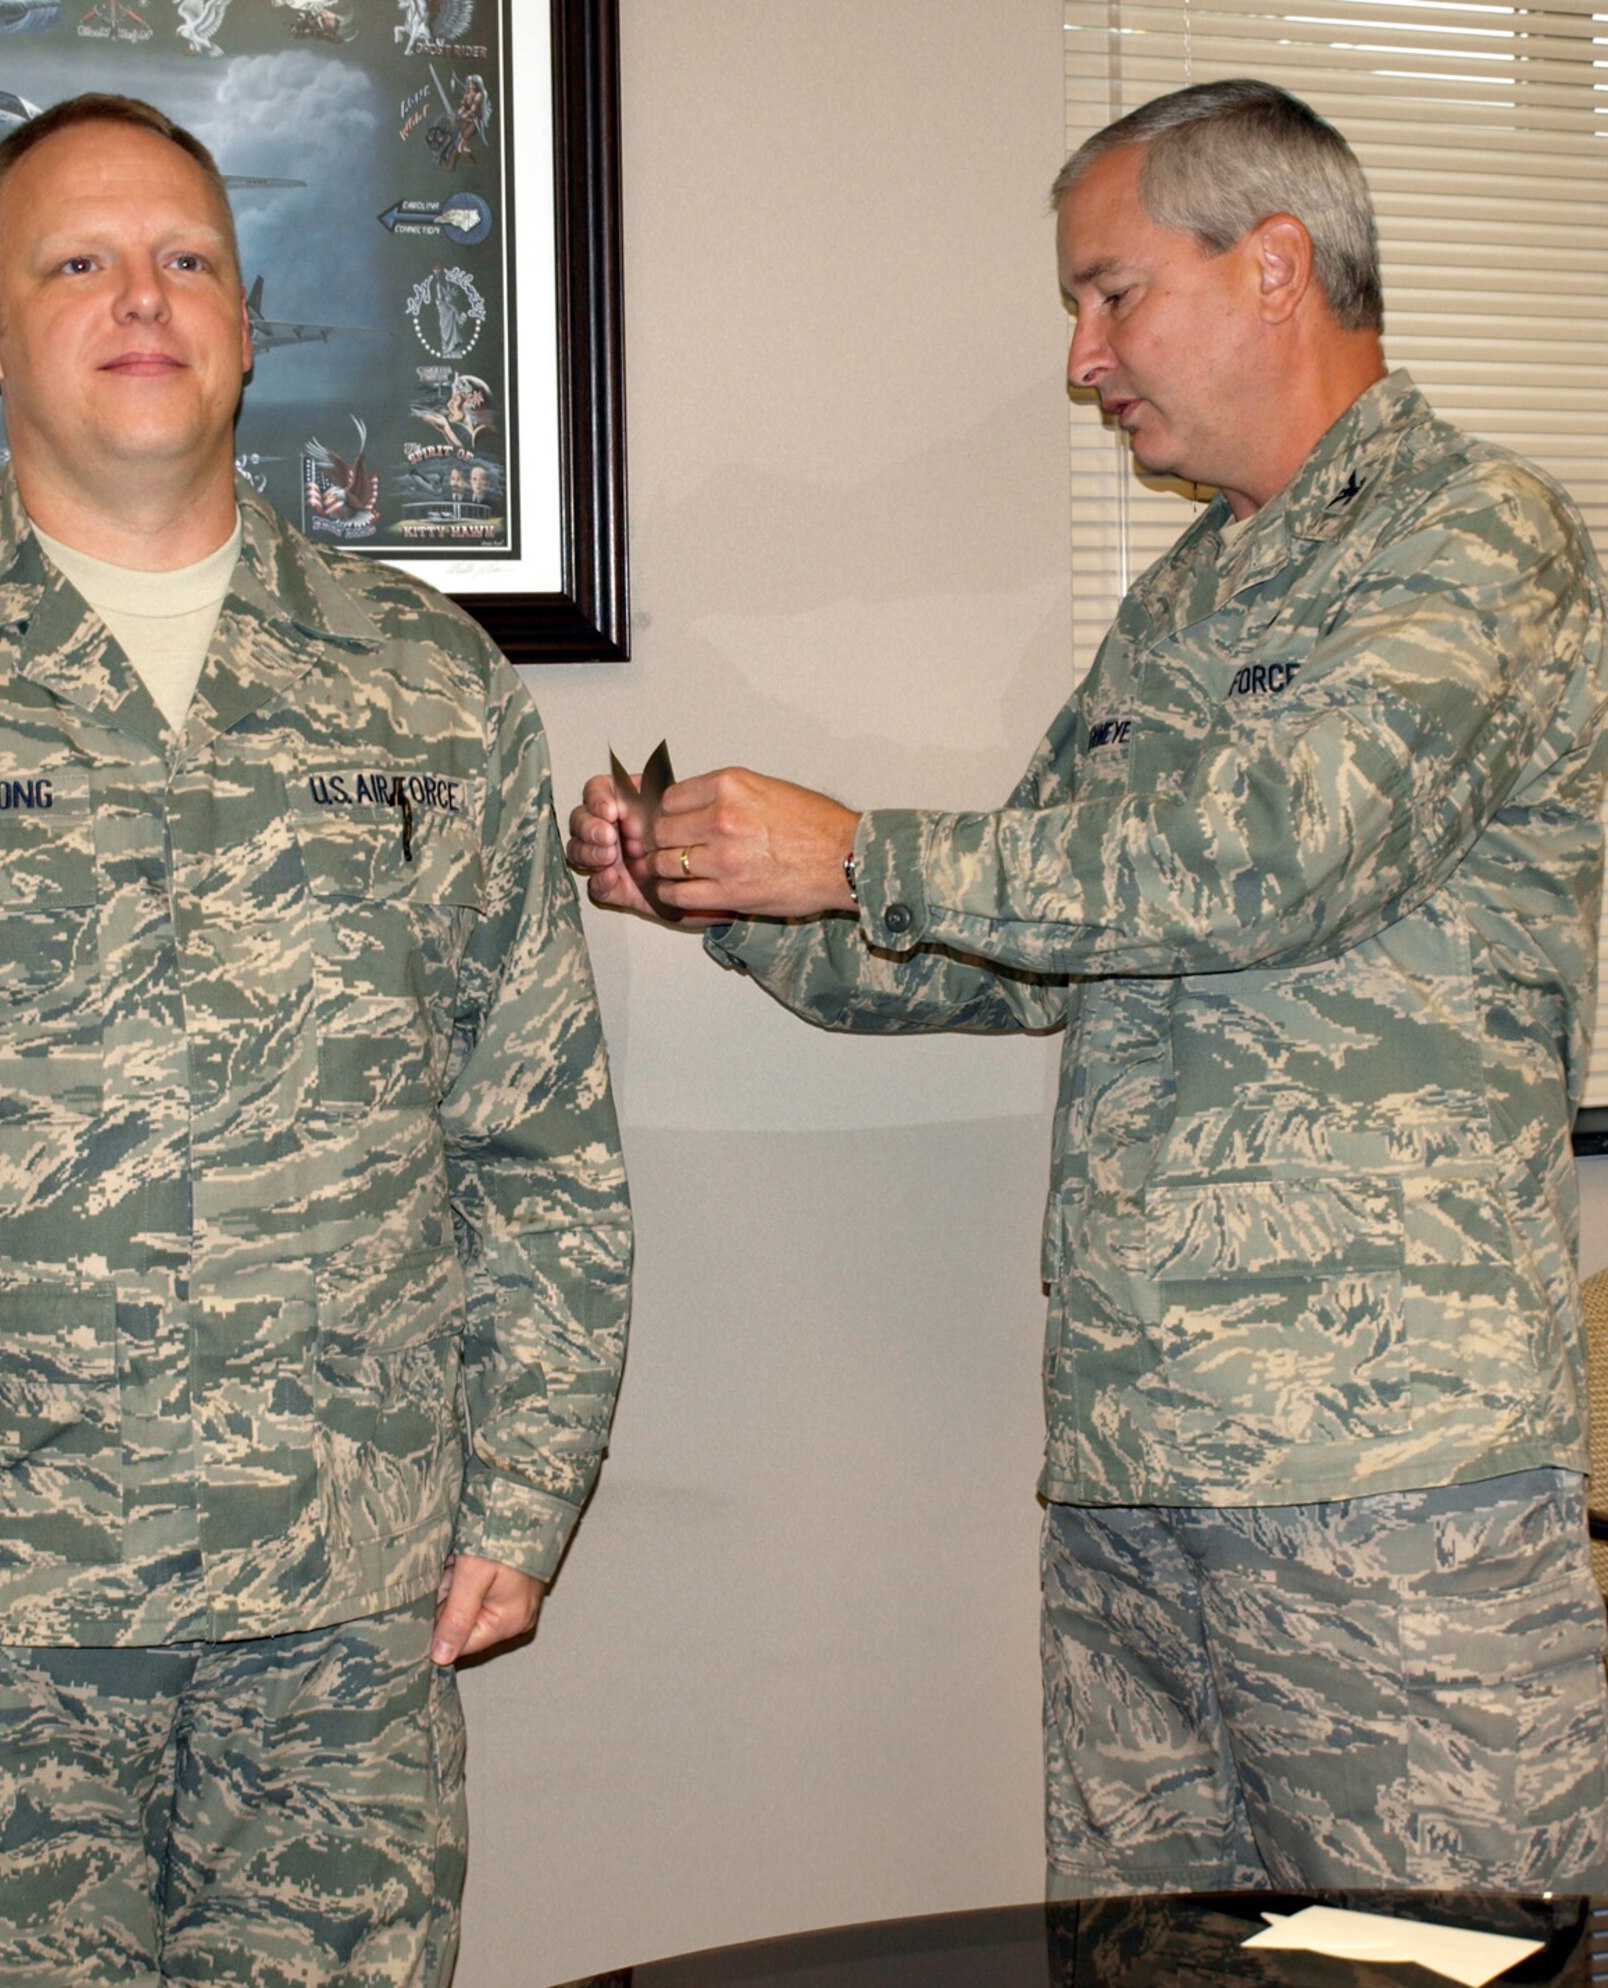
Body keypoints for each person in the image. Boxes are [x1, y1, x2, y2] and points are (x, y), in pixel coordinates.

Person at [0, 93, 630, 1984]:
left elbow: (535, 1139)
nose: (141, 298)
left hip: (344, 1623)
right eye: (76, 260)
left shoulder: (428, 689)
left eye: (185, 260)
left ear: (248, 319)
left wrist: (525, 1485)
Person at [569, 78, 1608, 1896]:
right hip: (1139, 1466)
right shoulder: (1187, 596)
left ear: (1273, 264)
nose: (1083, 359)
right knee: (1144, 1962)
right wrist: (725, 894)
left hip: (1389, 1476)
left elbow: (1280, 858)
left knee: (1454, 1959)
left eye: (1114, 294)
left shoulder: (1476, 537)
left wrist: (858, 851)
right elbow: (1022, 942)